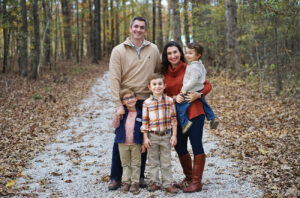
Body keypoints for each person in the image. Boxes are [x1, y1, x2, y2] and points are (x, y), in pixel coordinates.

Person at [109, 16, 161, 190]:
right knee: (122, 139)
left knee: (142, 140)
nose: (139, 30)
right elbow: (114, 78)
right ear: (130, 28)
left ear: (145, 30)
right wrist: (118, 104)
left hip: (146, 101)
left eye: (142, 27)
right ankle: (116, 177)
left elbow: (158, 73)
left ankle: (138, 177)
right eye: (136, 27)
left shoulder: (153, 49)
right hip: (127, 100)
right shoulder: (118, 50)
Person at [161, 41, 212, 193]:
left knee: (196, 143)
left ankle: (197, 182)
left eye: (175, 52)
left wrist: (199, 94)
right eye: (169, 53)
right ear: (166, 56)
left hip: (194, 111)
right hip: (175, 115)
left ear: (181, 53)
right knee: (179, 145)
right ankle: (189, 177)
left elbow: (207, 85)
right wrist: (172, 97)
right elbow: (160, 93)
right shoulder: (164, 72)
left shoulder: (190, 66)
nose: (173, 55)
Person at [141, 73, 179, 194]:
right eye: (154, 84)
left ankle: (167, 183)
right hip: (152, 136)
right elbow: (145, 122)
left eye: (160, 84)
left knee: (166, 161)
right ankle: (154, 182)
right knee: (153, 161)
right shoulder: (146, 103)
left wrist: (174, 135)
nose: (157, 86)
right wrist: (145, 138)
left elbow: (173, 119)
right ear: (149, 87)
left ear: (164, 85)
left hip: (166, 135)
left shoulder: (169, 101)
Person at [177, 42, 219, 134]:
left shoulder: (193, 67)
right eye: (186, 52)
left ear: (198, 55)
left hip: (191, 91)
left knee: (180, 106)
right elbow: (203, 74)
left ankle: (185, 123)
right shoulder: (199, 64)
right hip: (199, 88)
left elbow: (193, 80)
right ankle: (212, 118)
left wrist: (184, 90)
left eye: (190, 53)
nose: (187, 55)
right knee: (204, 104)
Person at [112, 89, 146, 194]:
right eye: (126, 98)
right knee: (125, 163)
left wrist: (144, 143)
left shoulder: (141, 113)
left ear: (136, 98)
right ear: (123, 102)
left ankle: (135, 182)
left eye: (131, 97)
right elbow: (115, 125)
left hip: (136, 143)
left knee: (136, 163)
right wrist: (118, 114)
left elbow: (145, 129)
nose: (130, 100)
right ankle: (126, 181)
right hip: (122, 143)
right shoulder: (122, 113)